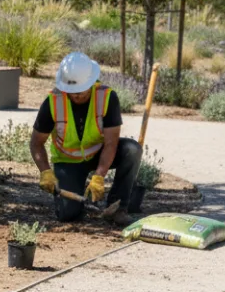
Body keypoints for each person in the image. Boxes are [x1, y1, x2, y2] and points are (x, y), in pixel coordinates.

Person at [30, 52, 141, 227]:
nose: (76, 96)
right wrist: (45, 171)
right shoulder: (52, 102)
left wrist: (99, 176)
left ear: (91, 82)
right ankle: (80, 203)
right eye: (71, 92)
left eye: (81, 91)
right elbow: (36, 143)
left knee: (132, 150)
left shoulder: (107, 98)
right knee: (68, 215)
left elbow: (111, 143)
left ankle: (118, 208)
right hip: (68, 160)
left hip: (99, 152)